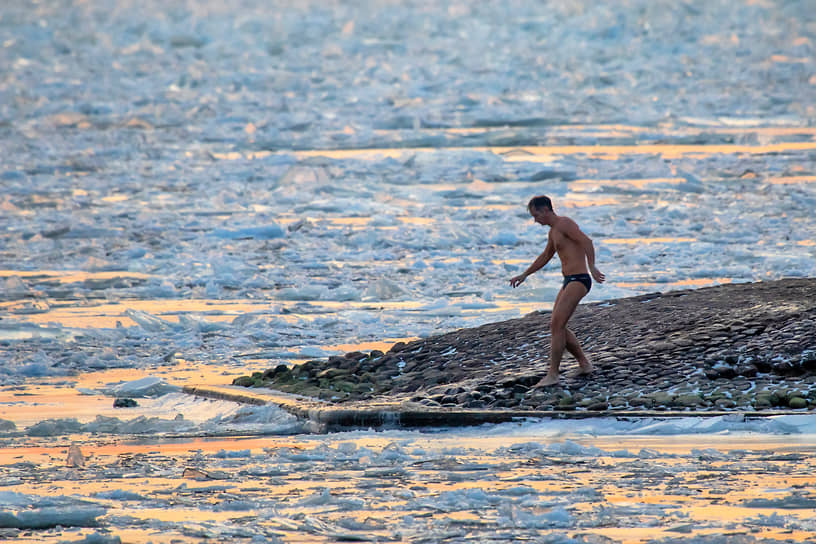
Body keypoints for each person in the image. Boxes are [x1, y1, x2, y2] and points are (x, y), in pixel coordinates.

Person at [509, 196, 605, 387]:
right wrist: (524, 274)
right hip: (568, 280)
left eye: (536, 215)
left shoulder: (565, 224)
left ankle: (553, 374)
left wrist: (592, 266)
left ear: (545, 209)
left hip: (579, 279)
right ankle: (584, 364)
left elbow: (587, 241)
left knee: (557, 324)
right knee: (556, 325)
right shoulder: (553, 232)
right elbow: (546, 256)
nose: (535, 220)